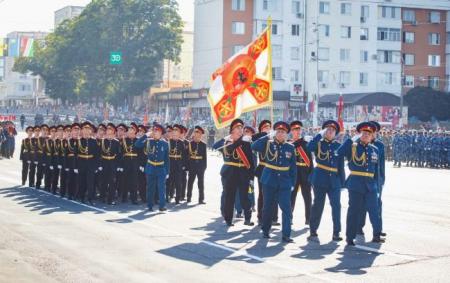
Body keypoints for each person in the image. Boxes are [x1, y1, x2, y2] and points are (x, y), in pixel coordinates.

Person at [337, 122, 384, 246]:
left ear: (372, 136)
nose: (366, 136)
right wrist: (351, 139)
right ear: (359, 134)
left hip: (371, 185)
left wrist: (378, 186)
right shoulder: (353, 146)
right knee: (354, 211)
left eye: (368, 134)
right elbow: (339, 152)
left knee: (374, 211)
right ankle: (350, 237)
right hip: (356, 184)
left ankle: (377, 235)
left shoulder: (375, 149)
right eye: (363, 133)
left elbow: (377, 171)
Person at [251, 121, 297, 243]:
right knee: (267, 207)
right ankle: (266, 230)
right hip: (269, 180)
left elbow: (293, 168)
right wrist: (267, 136)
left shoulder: (290, 148)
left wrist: (292, 183)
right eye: (278, 131)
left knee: (286, 209)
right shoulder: (267, 144)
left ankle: (286, 234)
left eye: (283, 132)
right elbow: (253, 146)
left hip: (284, 182)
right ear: (275, 133)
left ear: (287, 135)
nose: (281, 134)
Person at [307, 120, 345, 242]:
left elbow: (341, 166)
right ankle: (313, 230)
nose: (330, 132)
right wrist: (319, 135)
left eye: (332, 131)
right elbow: (309, 147)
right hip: (320, 178)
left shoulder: (338, 146)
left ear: (335, 133)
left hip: (334, 180)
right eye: (328, 130)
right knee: (318, 205)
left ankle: (336, 232)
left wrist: (342, 182)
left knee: (336, 206)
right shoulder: (319, 143)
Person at [213, 119, 254, 227]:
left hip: (243, 172)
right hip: (230, 173)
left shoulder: (246, 142)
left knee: (245, 196)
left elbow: (250, 160)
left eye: (241, 128)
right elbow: (216, 146)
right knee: (229, 197)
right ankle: (228, 219)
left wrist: (251, 175)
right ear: (232, 130)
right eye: (238, 128)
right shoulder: (227, 142)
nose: (240, 130)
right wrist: (225, 138)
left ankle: (248, 218)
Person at [135, 123, 169, 212]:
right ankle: (150, 205)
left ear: (161, 133)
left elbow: (167, 159)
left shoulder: (165, 143)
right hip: (150, 167)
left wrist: (167, 172)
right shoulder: (148, 140)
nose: (155, 132)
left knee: (161, 187)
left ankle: (162, 206)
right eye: (154, 130)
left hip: (161, 168)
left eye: (157, 131)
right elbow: (137, 144)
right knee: (150, 188)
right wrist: (145, 135)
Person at [252, 120, 279, 226]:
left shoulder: (274, 140)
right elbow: (254, 142)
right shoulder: (261, 139)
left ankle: (274, 218)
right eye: (265, 128)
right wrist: (265, 135)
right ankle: (261, 216)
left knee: (275, 194)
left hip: (275, 169)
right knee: (263, 194)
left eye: (269, 127)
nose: (267, 129)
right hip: (263, 168)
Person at [289, 120, 313, 226]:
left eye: (299, 130)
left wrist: (311, 174)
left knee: (307, 197)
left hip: (305, 172)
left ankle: (309, 219)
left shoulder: (306, 143)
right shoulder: (289, 144)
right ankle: (289, 217)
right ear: (291, 131)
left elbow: (310, 160)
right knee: (291, 196)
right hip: (294, 173)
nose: (298, 132)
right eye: (295, 130)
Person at [77, 122, 99, 204]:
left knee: (90, 182)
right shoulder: (79, 141)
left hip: (90, 164)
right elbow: (76, 154)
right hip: (81, 163)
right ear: (82, 131)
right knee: (82, 181)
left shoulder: (94, 141)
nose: (86, 131)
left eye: (88, 129)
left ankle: (90, 198)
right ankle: (82, 197)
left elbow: (97, 155)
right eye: (84, 129)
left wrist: (96, 167)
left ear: (90, 131)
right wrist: (76, 166)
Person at [99, 123, 121, 205]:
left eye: (111, 134)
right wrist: (100, 165)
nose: (109, 135)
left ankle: (110, 199)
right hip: (104, 163)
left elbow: (119, 155)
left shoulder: (117, 142)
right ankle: (102, 197)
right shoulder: (102, 141)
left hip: (112, 163)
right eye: (108, 133)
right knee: (103, 181)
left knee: (112, 182)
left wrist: (118, 165)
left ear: (114, 134)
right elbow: (99, 154)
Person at [186, 126, 207, 204]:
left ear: (201, 135)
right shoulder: (190, 144)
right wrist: (187, 167)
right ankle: (188, 197)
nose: (197, 134)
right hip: (192, 165)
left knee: (201, 183)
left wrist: (204, 167)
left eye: (199, 133)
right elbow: (187, 156)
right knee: (190, 182)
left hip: (200, 166)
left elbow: (205, 157)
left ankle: (201, 199)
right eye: (196, 132)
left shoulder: (203, 144)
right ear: (194, 134)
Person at [120, 123, 140, 204]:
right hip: (126, 162)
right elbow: (121, 153)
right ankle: (124, 197)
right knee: (124, 181)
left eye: (132, 132)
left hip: (135, 163)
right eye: (129, 132)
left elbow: (141, 154)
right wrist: (120, 165)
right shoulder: (124, 140)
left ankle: (134, 198)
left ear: (135, 133)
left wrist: (140, 164)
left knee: (134, 182)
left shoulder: (138, 141)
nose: (130, 134)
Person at [167, 124, 188, 204]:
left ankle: (177, 198)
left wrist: (183, 165)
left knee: (178, 182)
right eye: (174, 131)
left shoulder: (181, 142)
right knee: (169, 181)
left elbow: (184, 155)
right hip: (170, 163)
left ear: (179, 134)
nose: (175, 133)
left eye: (177, 132)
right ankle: (168, 196)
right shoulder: (169, 141)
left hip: (178, 164)